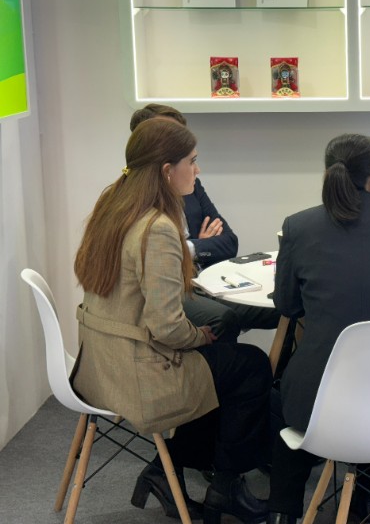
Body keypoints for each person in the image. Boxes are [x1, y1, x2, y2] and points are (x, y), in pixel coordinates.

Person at [72, 118, 272, 523]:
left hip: (98, 365)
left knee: (218, 364)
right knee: (250, 366)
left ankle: (168, 470)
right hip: (138, 376)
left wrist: (199, 338)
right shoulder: (158, 228)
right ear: (167, 170)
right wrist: (200, 336)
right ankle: (225, 486)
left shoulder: (112, 206)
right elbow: (167, 327)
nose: (197, 170)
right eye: (192, 161)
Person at [267, 134, 370, 524]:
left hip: (318, 404)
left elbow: (288, 306)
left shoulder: (297, 226)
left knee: (281, 399)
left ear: (328, 175)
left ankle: (282, 511)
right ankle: (367, 504)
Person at [130, 104, 281, 343]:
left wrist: (190, 247)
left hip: (201, 284)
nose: (197, 168)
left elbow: (229, 243)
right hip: (173, 295)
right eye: (170, 137)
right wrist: (193, 246)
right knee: (227, 324)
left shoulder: (192, 186)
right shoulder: (135, 204)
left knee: (282, 309)